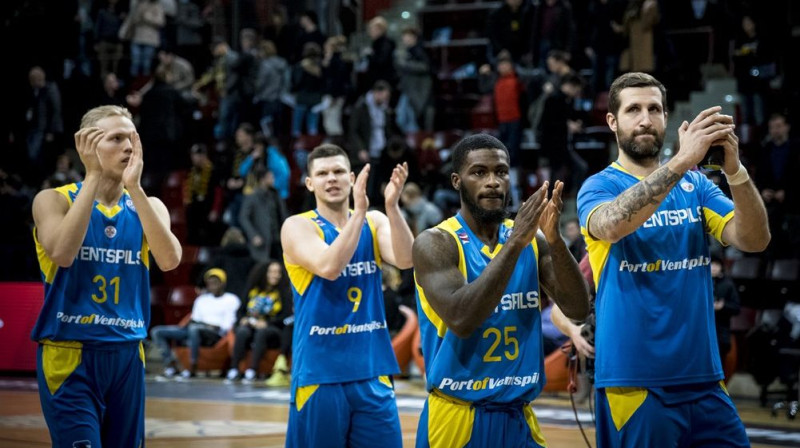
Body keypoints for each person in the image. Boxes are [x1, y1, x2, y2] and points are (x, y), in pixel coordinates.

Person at [577, 72, 770, 447]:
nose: (646, 119)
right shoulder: (599, 186)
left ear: (666, 117)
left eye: (654, 109)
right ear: (613, 122)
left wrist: (735, 170)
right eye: (634, 110)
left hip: (703, 378)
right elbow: (613, 224)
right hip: (635, 383)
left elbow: (755, 239)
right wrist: (683, 160)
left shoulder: (696, 186)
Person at [412, 133, 590, 448]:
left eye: (501, 172)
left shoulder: (530, 240)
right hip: (458, 416)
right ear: (457, 181)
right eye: (479, 172)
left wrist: (555, 239)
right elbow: (462, 318)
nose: (493, 181)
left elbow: (578, 308)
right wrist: (515, 243)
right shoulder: (435, 243)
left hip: (518, 413)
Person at [30, 104, 182, 447]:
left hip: (127, 354)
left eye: (132, 139)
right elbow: (63, 253)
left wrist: (137, 190)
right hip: (70, 352)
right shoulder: (52, 200)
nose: (129, 147)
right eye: (116, 139)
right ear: (89, 145)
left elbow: (170, 260)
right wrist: (94, 176)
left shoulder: (148, 205)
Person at [280, 143, 414, 447]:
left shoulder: (374, 220)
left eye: (339, 171)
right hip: (320, 374)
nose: (332, 179)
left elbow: (407, 259)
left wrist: (392, 208)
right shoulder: (297, 226)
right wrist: (359, 214)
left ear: (352, 178)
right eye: (323, 173)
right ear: (310, 183)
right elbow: (329, 266)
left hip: (372, 370)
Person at [150, 268, 241, 379]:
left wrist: (210, 326)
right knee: (157, 331)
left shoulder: (231, 299)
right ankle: (171, 365)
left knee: (194, 329)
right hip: (196, 328)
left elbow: (228, 324)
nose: (213, 286)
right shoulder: (201, 299)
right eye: (210, 283)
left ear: (223, 283)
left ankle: (192, 368)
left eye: (216, 282)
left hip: (215, 333)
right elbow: (195, 318)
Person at [226, 261, 292, 383]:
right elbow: (240, 311)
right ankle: (234, 369)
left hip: (274, 329)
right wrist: (243, 319)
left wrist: (267, 323)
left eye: (278, 272)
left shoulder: (284, 292)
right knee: (242, 332)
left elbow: (286, 317)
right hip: (251, 325)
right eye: (272, 272)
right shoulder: (252, 289)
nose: (276, 275)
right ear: (263, 273)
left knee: (262, 332)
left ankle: (252, 370)